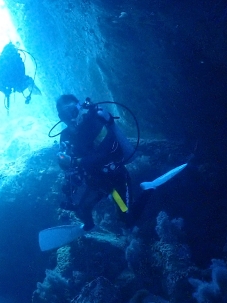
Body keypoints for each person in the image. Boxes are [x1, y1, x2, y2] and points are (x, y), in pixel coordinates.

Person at [55, 94, 154, 231]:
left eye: (73, 111)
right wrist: (63, 162)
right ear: (61, 118)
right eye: (66, 116)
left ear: (79, 107)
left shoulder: (95, 122)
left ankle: (148, 189)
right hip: (96, 182)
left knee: (126, 217)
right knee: (83, 209)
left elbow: (103, 154)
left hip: (115, 179)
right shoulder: (65, 136)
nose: (71, 118)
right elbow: (67, 166)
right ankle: (89, 227)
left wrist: (74, 161)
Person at [0, 42, 40, 109]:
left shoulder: (0, 62)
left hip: (7, 83)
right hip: (15, 83)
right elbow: (22, 73)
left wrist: (4, 90)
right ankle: (36, 93)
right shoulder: (17, 60)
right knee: (27, 82)